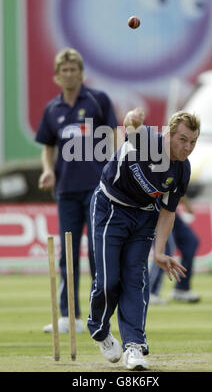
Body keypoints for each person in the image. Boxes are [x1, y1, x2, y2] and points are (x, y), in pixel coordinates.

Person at [87, 107, 200, 370]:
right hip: (110, 207)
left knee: (135, 280)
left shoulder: (182, 170)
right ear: (169, 134)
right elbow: (130, 126)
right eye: (182, 139)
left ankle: (134, 347)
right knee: (107, 280)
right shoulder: (148, 139)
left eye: (193, 142)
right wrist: (132, 118)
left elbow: (169, 212)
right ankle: (100, 329)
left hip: (144, 218)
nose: (187, 147)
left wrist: (159, 252)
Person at [35, 47, 118, 333]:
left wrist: (114, 171)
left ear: (82, 73)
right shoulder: (52, 109)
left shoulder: (98, 100)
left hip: (97, 190)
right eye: (64, 70)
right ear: (57, 76)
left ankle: (99, 316)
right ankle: (69, 317)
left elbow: (113, 137)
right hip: (66, 191)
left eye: (74, 69)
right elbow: (48, 148)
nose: (69, 74)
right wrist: (48, 170)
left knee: (98, 253)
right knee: (66, 254)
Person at [149, 196, 200, 305]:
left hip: (169, 207)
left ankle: (182, 289)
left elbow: (175, 186)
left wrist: (185, 202)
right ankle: (151, 292)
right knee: (164, 249)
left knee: (191, 242)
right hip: (154, 206)